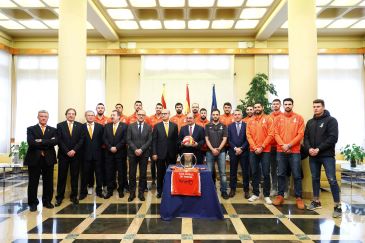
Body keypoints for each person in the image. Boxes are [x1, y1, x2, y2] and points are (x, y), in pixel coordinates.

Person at [304, 99, 341, 218]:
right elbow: (306, 138)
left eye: (318, 106)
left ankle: (337, 206)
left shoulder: (331, 120)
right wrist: (309, 149)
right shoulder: (310, 122)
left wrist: (319, 149)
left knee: (332, 179)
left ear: (323, 107)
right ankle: (316, 201)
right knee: (315, 178)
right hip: (313, 156)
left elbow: (333, 138)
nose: (315, 108)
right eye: (314, 106)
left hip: (327, 156)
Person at [272, 98, 305, 209]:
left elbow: (300, 134)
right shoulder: (278, 119)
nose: (287, 106)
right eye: (285, 104)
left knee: (297, 175)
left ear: (292, 105)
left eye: (289, 104)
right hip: (281, 151)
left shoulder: (299, 118)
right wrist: (283, 145)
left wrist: (289, 145)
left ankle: (299, 197)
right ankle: (280, 195)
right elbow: (275, 133)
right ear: (283, 105)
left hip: (294, 151)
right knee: (281, 174)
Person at [25, 110, 58, 212]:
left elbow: (55, 141)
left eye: (45, 116)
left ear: (48, 118)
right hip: (34, 159)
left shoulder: (53, 130)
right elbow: (31, 142)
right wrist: (48, 142)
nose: (43, 118)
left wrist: (40, 141)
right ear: (38, 117)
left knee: (48, 182)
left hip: (48, 159)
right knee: (33, 182)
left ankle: (47, 201)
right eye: (41, 116)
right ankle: (33, 203)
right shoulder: (31, 129)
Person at [56, 108, 85, 206]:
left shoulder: (80, 126)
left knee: (75, 176)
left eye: (73, 114)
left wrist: (74, 150)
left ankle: (74, 196)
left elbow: (81, 140)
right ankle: (59, 197)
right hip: (63, 155)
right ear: (66, 115)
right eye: (69, 113)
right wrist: (67, 151)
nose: (71, 115)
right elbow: (59, 140)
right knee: (62, 177)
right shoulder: (60, 125)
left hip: (76, 155)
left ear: (75, 115)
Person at [246, 103, 274, 204]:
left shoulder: (268, 119)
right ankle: (255, 194)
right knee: (254, 173)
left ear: (262, 108)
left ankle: (266, 195)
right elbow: (248, 135)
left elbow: (271, 134)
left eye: (259, 107)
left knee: (266, 172)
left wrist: (262, 146)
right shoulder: (250, 121)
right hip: (253, 151)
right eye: (255, 107)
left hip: (265, 150)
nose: (257, 109)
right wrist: (254, 147)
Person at [152, 109, 178, 198]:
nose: (163, 115)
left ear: (169, 114)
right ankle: (160, 191)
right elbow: (154, 141)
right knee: (160, 173)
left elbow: (176, 141)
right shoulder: (156, 126)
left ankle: (171, 189)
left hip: (171, 154)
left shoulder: (174, 126)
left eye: (165, 113)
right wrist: (154, 153)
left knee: (171, 173)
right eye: (162, 114)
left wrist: (177, 153)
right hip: (160, 154)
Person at [127, 109, 152, 202]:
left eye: (143, 115)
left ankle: (141, 193)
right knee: (132, 174)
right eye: (139, 114)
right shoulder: (130, 126)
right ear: (136, 116)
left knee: (143, 175)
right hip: (132, 154)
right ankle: (132, 193)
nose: (141, 116)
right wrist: (135, 149)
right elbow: (128, 139)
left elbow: (149, 140)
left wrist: (141, 149)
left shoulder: (149, 127)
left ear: (145, 116)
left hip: (144, 154)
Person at [103, 110, 128, 199]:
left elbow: (125, 139)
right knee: (109, 172)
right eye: (111, 115)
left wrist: (116, 147)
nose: (112, 116)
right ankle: (110, 191)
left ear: (118, 117)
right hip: (109, 153)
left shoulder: (124, 126)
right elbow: (104, 138)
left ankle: (120, 190)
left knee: (121, 173)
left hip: (120, 153)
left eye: (113, 115)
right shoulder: (107, 126)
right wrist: (110, 147)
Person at [80, 110, 104, 200]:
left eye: (92, 115)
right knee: (84, 175)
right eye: (88, 115)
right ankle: (83, 192)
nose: (90, 117)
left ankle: (99, 192)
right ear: (85, 116)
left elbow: (102, 140)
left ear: (94, 116)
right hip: (85, 155)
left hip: (98, 155)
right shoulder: (81, 127)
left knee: (99, 174)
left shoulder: (100, 127)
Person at [205, 108, 229, 200]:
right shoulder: (207, 126)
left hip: (221, 152)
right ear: (211, 116)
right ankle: (211, 190)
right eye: (213, 114)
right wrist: (212, 149)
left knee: (222, 173)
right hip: (209, 152)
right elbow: (206, 139)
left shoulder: (224, 126)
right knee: (210, 172)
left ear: (219, 115)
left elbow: (225, 139)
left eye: (216, 114)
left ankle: (224, 191)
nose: (215, 116)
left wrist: (218, 149)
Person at [227, 109, 249, 199]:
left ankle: (246, 190)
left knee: (245, 171)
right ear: (233, 115)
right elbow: (228, 139)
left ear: (242, 115)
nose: (237, 116)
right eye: (235, 114)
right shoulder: (230, 126)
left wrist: (242, 148)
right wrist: (236, 148)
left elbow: (248, 139)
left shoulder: (246, 125)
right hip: (233, 151)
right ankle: (232, 189)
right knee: (233, 171)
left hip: (244, 152)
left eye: (238, 114)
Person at [94, 102, 111, 194]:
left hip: (106, 148)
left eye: (102, 108)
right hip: (96, 148)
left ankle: (105, 185)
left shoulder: (108, 120)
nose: (100, 109)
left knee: (106, 167)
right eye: (99, 108)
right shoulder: (93, 119)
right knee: (98, 168)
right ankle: (96, 186)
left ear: (104, 109)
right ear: (96, 109)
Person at [148, 103, 164, 186]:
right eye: (157, 108)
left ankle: (160, 179)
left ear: (162, 109)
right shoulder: (150, 118)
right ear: (155, 108)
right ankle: (153, 179)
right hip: (152, 143)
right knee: (153, 164)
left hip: (161, 144)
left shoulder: (164, 118)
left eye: (160, 108)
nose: (158, 109)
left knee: (160, 163)